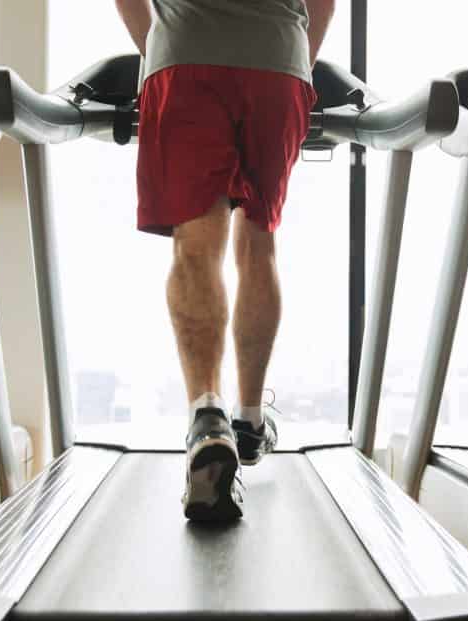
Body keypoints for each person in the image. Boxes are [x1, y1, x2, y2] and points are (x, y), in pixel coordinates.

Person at [115, 0, 335, 521]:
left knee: (196, 246)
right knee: (258, 242)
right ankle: (251, 421)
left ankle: (207, 419)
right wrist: (296, 62)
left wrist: (162, 51)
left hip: (184, 56)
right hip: (277, 58)